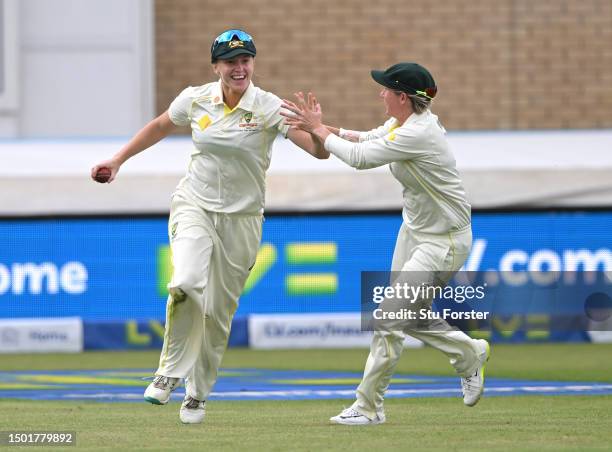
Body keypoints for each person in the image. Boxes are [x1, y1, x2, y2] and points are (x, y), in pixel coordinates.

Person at [91, 29, 328, 424]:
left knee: (218, 314)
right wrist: (117, 160)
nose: (239, 68)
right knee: (184, 283)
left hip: (243, 219)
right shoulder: (196, 98)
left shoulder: (268, 106)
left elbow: (316, 152)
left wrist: (318, 131)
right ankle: (168, 374)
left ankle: (197, 394)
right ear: (216, 66)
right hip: (194, 206)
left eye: (245, 60)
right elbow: (160, 126)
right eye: (230, 61)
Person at [281, 62, 490, 425]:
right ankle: (469, 353)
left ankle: (368, 406)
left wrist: (317, 129)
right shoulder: (401, 124)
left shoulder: (419, 133)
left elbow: (361, 160)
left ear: (403, 98)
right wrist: (314, 126)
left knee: (389, 318)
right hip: (413, 232)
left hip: (445, 241)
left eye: (386, 90)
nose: (381, 94)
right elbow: (362, 139)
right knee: (407, 317)